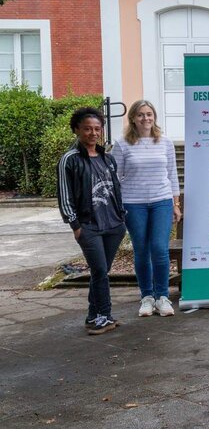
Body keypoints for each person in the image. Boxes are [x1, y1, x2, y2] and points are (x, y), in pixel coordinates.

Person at [58, 107, 126, 335]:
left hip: (113, 225)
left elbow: (116, 189)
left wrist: (122, 216)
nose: (93, 133)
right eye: (87, 129)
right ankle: (104, 316)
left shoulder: (108, 158)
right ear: (77, 129)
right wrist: (75, 226)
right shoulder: (69, 160)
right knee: (99, 271)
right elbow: (65, 195)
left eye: (97, 129)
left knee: (101, 271)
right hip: (89, 226)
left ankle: (92, 315)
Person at [112, 100, 181, 318]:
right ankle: (147, 297)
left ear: (154, 117)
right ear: (132, 118)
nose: (145, 118)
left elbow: (172, 175)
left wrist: (176, 204)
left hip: (161, 201)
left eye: (149, 114)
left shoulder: (165, 142)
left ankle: (162, 297)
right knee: (141, 250)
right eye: (140, 115)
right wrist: (117, 206)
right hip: (133, 203)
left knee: (160, 249)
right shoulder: (122, 144)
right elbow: (115, 179)